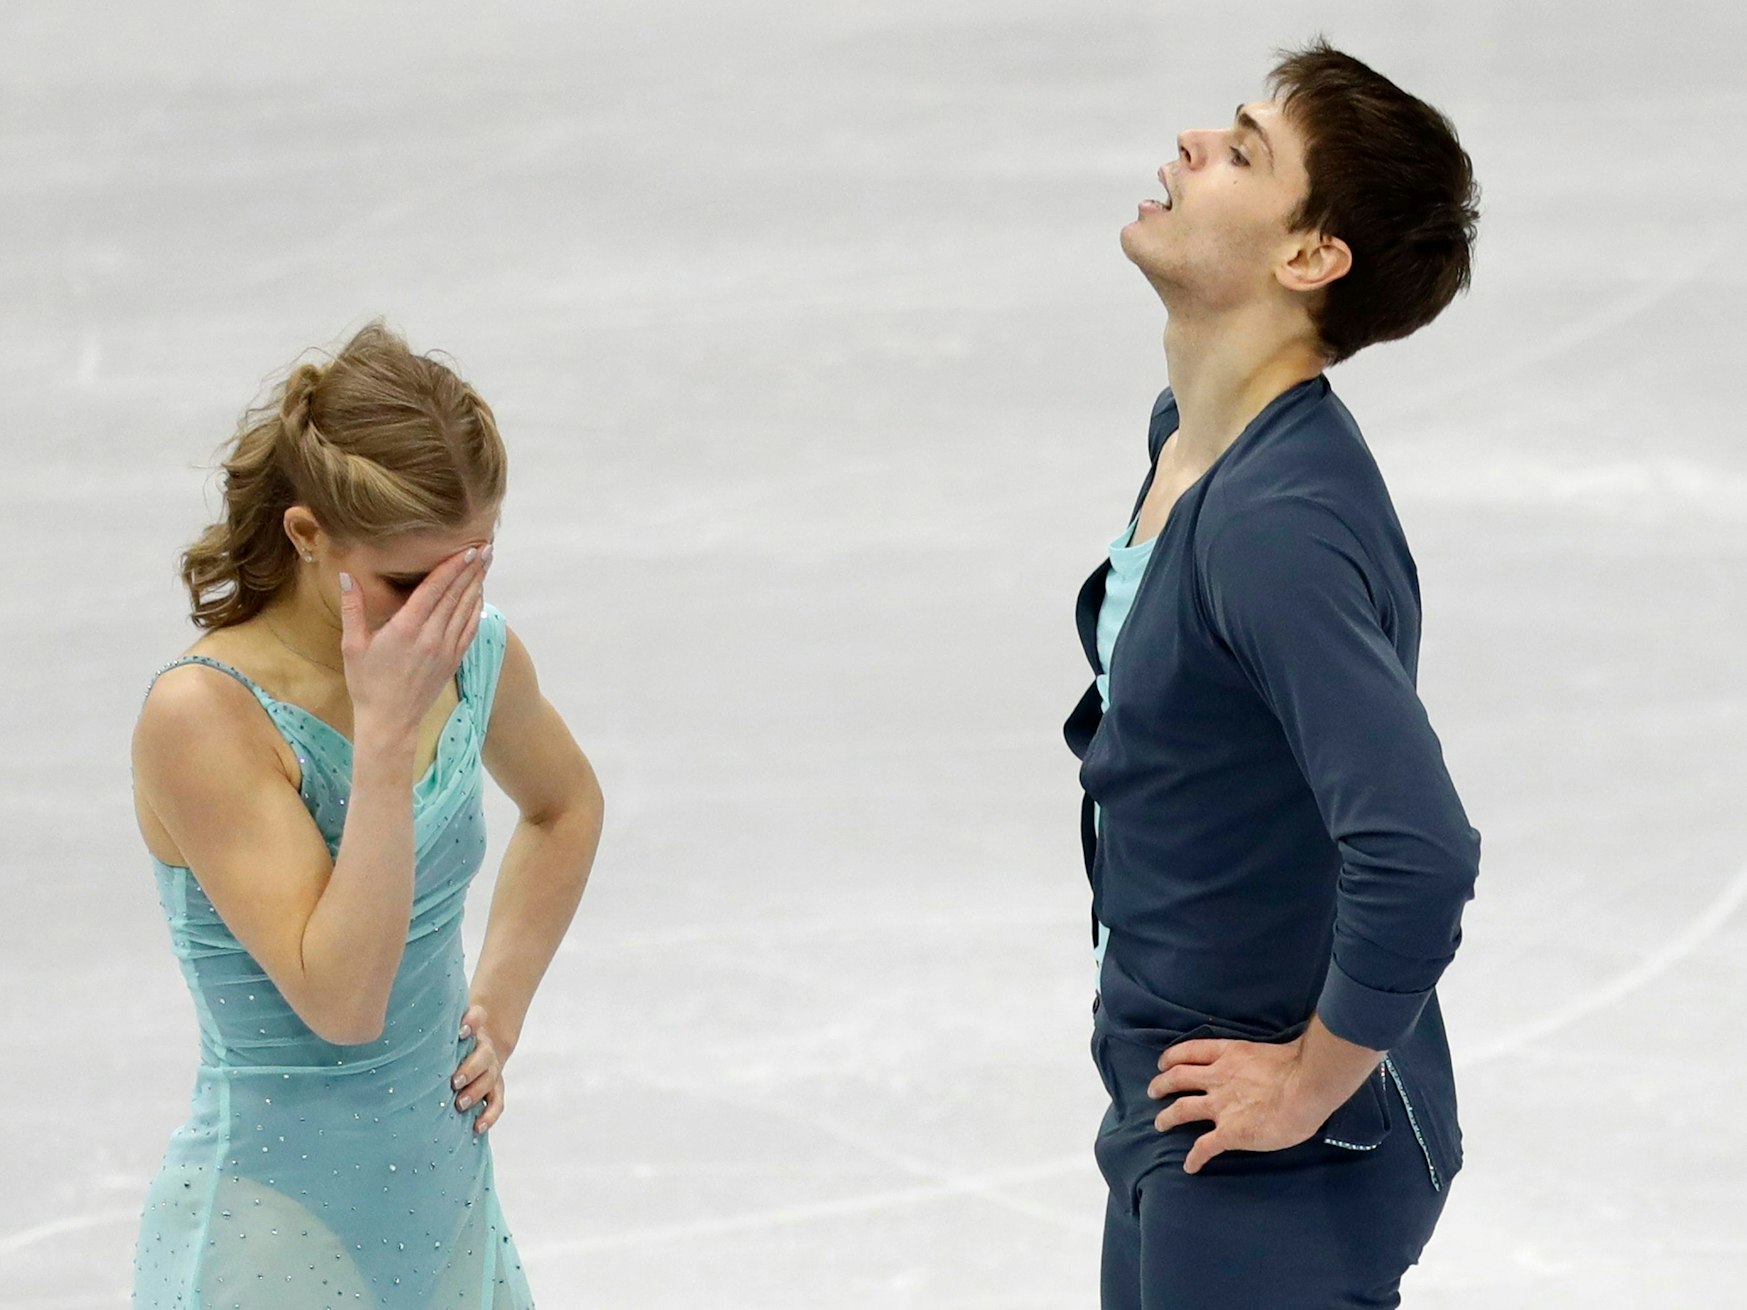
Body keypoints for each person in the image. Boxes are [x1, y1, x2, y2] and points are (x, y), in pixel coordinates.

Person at [1062, 40, 1483, 1309]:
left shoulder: (1272, 526)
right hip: (1179, 1106)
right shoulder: (1191, 441)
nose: (1193, 144)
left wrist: (1306, 1081)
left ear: (1310, 258)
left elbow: (1418, 848)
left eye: (1244, 150)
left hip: (1277, 1158)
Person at [130, 321, 604, 1307]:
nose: (447, 612)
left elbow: (564, 803)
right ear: (309, 535)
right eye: (409, 580)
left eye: (472, 566)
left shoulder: (475, 654)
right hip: (274, 1229)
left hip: (443, 1196)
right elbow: (343, 1002)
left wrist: (498, 1009)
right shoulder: (205, 716)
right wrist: (384, 744)